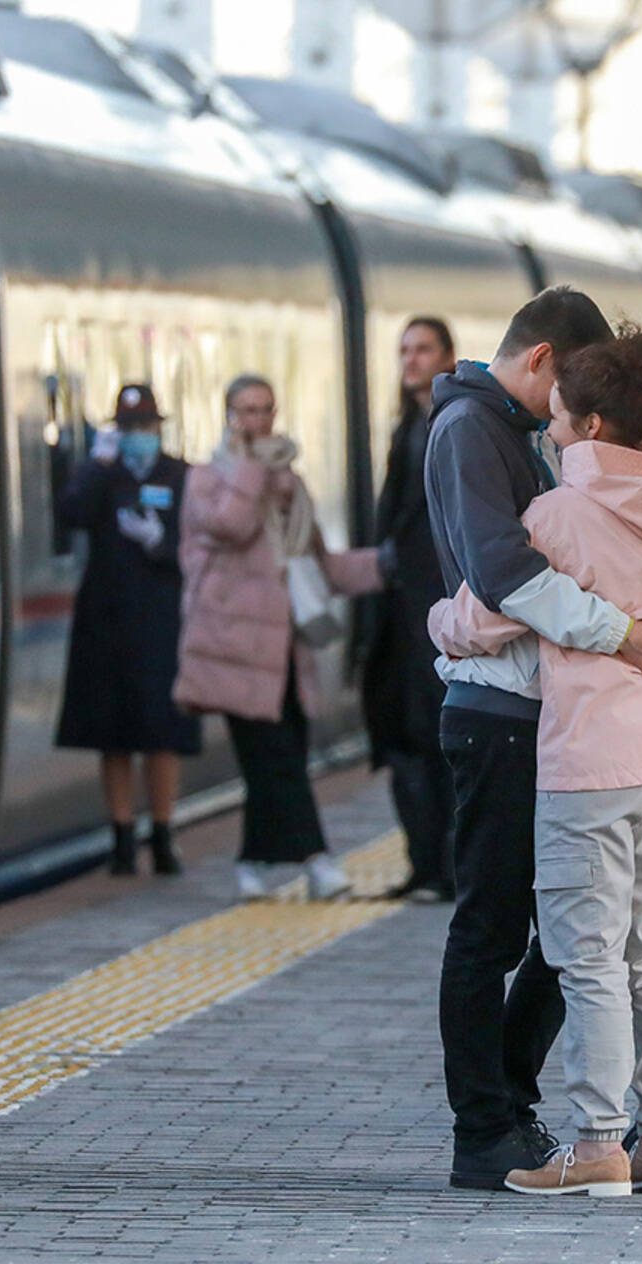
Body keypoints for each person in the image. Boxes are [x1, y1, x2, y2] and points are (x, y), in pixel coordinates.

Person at [423, 286, 642, 1190]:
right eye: (571, 402)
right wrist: (634, 632)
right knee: (498, 933)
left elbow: (499, 593)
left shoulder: (548, 460)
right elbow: (505, 579)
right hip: (500, 718)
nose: (566, 428)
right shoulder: (471, 431)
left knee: (569, 944)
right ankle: (487, 1130)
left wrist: (447, 623)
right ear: (542, 363)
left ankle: (534, 1110)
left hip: (556, 722)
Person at [174, 374, 384, 902]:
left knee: (277, 760)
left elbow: (318, 561)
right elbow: (230, 526)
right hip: (232, 651)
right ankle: (319, 863)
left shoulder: (289, 483)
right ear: (227, 415)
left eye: (265, 409)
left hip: (285, 652)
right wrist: (255, 471)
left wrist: (387, 567)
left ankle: (251, 864)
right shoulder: (207, 479)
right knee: (276, 762)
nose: (257, 421)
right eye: (246, 410)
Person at [56, 384, 200, 877]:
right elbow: (70, 514)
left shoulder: (180, 474)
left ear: (159, 429)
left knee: (161, 732)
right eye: (129, 429)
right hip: (106, 619)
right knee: (112, 733)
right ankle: (120, 838)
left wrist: (160, 543)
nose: (138, 437)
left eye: (145, 427)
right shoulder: (102, 475)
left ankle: (162, 834)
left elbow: (196, 542)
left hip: (161, 618)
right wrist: (96, 466)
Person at [361, 317, 456, 902]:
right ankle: (424, 863)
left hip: (436, 616)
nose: (411, 360)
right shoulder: (408, 429)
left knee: (437, 740)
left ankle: (442, 868)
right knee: (406, 739)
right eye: (404, 350)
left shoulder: (452, 427)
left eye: (422, 349)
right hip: (401, 615)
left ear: (447, 356)